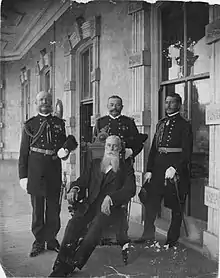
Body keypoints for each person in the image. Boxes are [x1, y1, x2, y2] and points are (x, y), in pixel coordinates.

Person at [48, 135, 136, 277]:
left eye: (115, 146)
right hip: (89, 206)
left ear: (120, 149)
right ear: (104, 147)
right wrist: (75, 188)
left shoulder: (125, 169)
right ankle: (60, 263)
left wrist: (111, 197)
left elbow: (130, 189)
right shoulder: (95, 164)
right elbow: (82, 181)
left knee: (93, 230)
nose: (111, 149)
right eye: (108, 145)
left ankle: (70, 265)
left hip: (109, 210)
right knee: (73, 225)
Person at [18, 91, 78, 257]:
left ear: (51, 103)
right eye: (42, 100)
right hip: (35, 170)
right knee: (37, 207)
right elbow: (23, 153)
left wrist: (65, 151)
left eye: (48, 100)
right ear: (36, 103)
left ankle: (51, 239)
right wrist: (23, 176)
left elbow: (63, 148)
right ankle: (38, 241)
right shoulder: (29, 124)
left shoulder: (59, 123)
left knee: (53, 207)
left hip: (53, 169)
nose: (45, 102)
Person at [136, 93, 193, 248]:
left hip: (175, 170)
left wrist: (176, 168)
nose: (168, 105)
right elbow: (154, 148)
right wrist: (149, 169)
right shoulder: (160, 123)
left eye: (172, 102)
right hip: (159, 168)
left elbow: (187, 151)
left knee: (176, 206)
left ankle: (171, 240)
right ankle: (147, 234)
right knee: (151, 203)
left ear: (179, 105)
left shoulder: (184, 125)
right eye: (166, 102)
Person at [93, 95, 147, 244]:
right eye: (111, 104)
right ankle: (102, 234)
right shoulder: (100, 122)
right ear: (107, 105)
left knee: (122, 199)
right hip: (105, 166)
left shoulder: (128, 122)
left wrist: (131, 151)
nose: (114, 107)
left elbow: (138, 143)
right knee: (102, 196)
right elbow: (95, 144)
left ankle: (121, 235)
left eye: (117, 105)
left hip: (123, 165)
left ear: (122, 107)